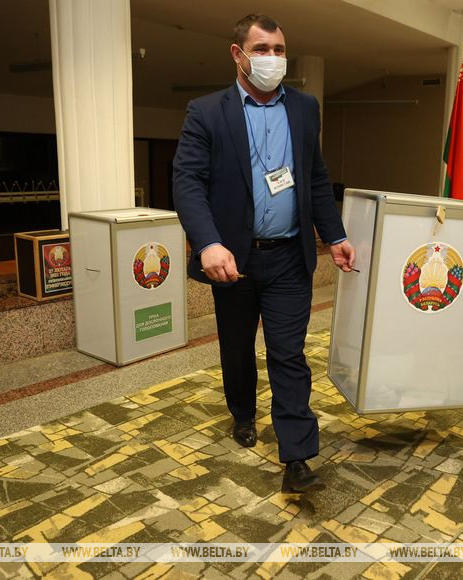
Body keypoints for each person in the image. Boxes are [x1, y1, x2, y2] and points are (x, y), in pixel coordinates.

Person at [172, 14, 355, 493]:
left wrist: (334, 234)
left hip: (289, 257)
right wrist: (208, 242)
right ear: (238, 55)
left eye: (278, 49)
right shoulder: (206, 112)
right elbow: (187, 182)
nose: (272, 58)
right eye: (261, 49)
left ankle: (297, 457)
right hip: (233, 260)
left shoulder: (305, 108)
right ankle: (242, 412)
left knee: (288, 353)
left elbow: (315, 176)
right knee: (237, 348)